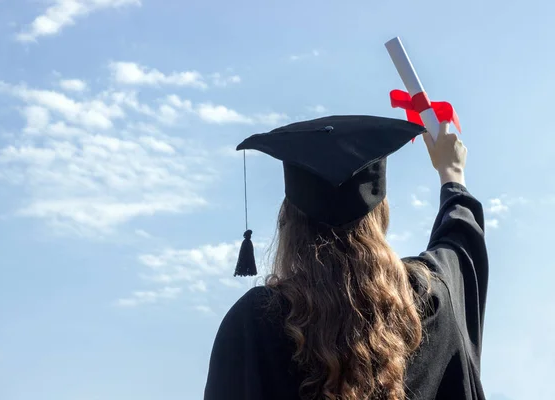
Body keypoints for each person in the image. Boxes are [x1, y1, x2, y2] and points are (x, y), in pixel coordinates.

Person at [204, 116, 488, 400]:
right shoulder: (426, 302)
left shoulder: (256, 323)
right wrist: (452, 174)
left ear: (287, 220)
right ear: (381, 214)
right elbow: (459, 244)